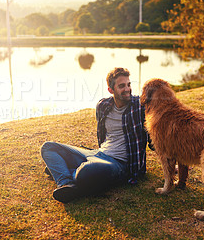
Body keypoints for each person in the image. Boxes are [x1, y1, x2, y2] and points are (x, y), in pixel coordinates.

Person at [40, 67, 148, 203]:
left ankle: (64, 171)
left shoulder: (139, 106)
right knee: (48, 147)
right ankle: (66, 183)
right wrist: (96, 155)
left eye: (128, 84)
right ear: (110, 89)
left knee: (86, 171)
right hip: (98, 154)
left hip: (121, 165)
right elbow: (102, 135)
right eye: (121, 86)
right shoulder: (103, 106)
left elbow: (156, 133)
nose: (127, 89)